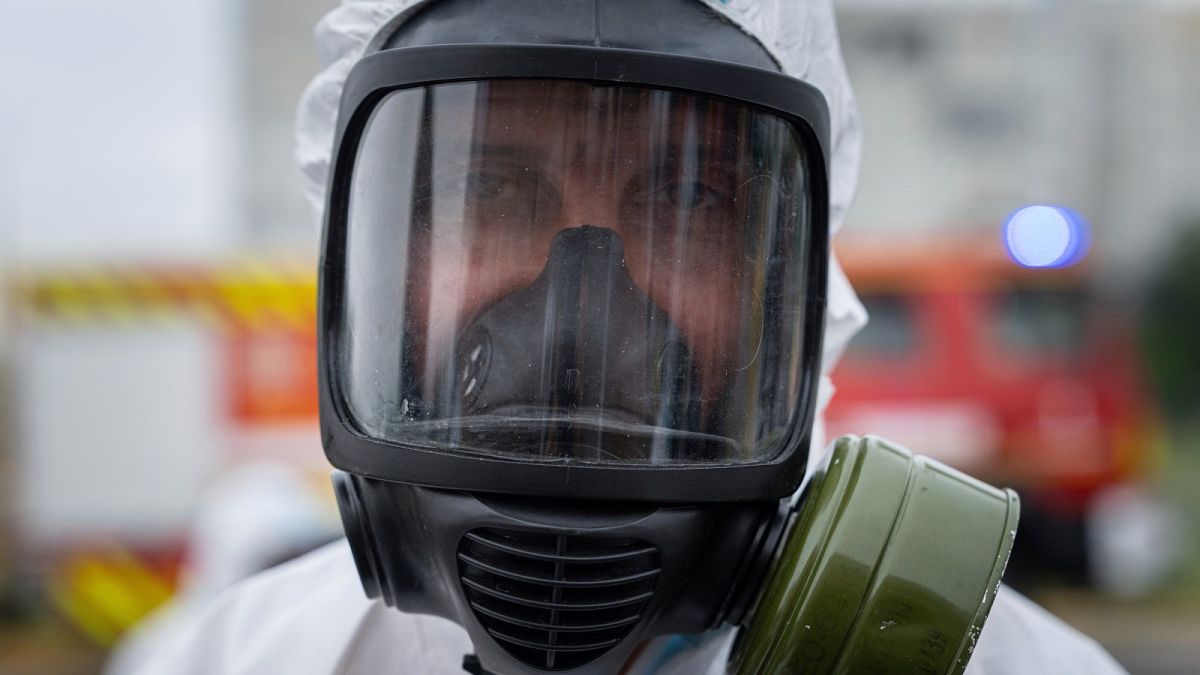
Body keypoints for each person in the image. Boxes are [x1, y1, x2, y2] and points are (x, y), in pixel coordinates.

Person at [130, 0, 1129, 673]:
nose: (581, 290)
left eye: (687, 196)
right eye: (487, 189)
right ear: (371, 261)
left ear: (790, 280)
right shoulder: (235, 658)